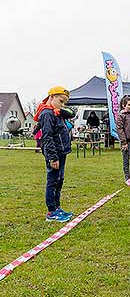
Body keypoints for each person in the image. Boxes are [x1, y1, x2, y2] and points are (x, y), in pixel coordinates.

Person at [33, 86, 74, 222]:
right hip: (54, 154)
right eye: (60, 101)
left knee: (59, 181)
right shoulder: (47, 114)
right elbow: (47, 137)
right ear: (52, 97)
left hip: (62, 152)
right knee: (52, 182)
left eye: (64, 103)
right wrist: (52, 157)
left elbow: (71, 113)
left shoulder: (56, 112)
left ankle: (57, 208)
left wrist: (60, 109)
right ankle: (51, 212)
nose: (62, 105)